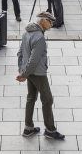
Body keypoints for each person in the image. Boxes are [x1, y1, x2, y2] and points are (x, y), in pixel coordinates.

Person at [17, 11, 65, 140]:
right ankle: (50, 130)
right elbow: (34, 59)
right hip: (37, 73)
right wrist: (24, 74)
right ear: (43, 20)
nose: (51, 25)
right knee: (47, 99)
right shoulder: (39, 38)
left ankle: (28, 128)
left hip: (29, 72)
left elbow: (20, 53)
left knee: (31, 97)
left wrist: (22, 71)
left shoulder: (27, 32)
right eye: (50, 22)